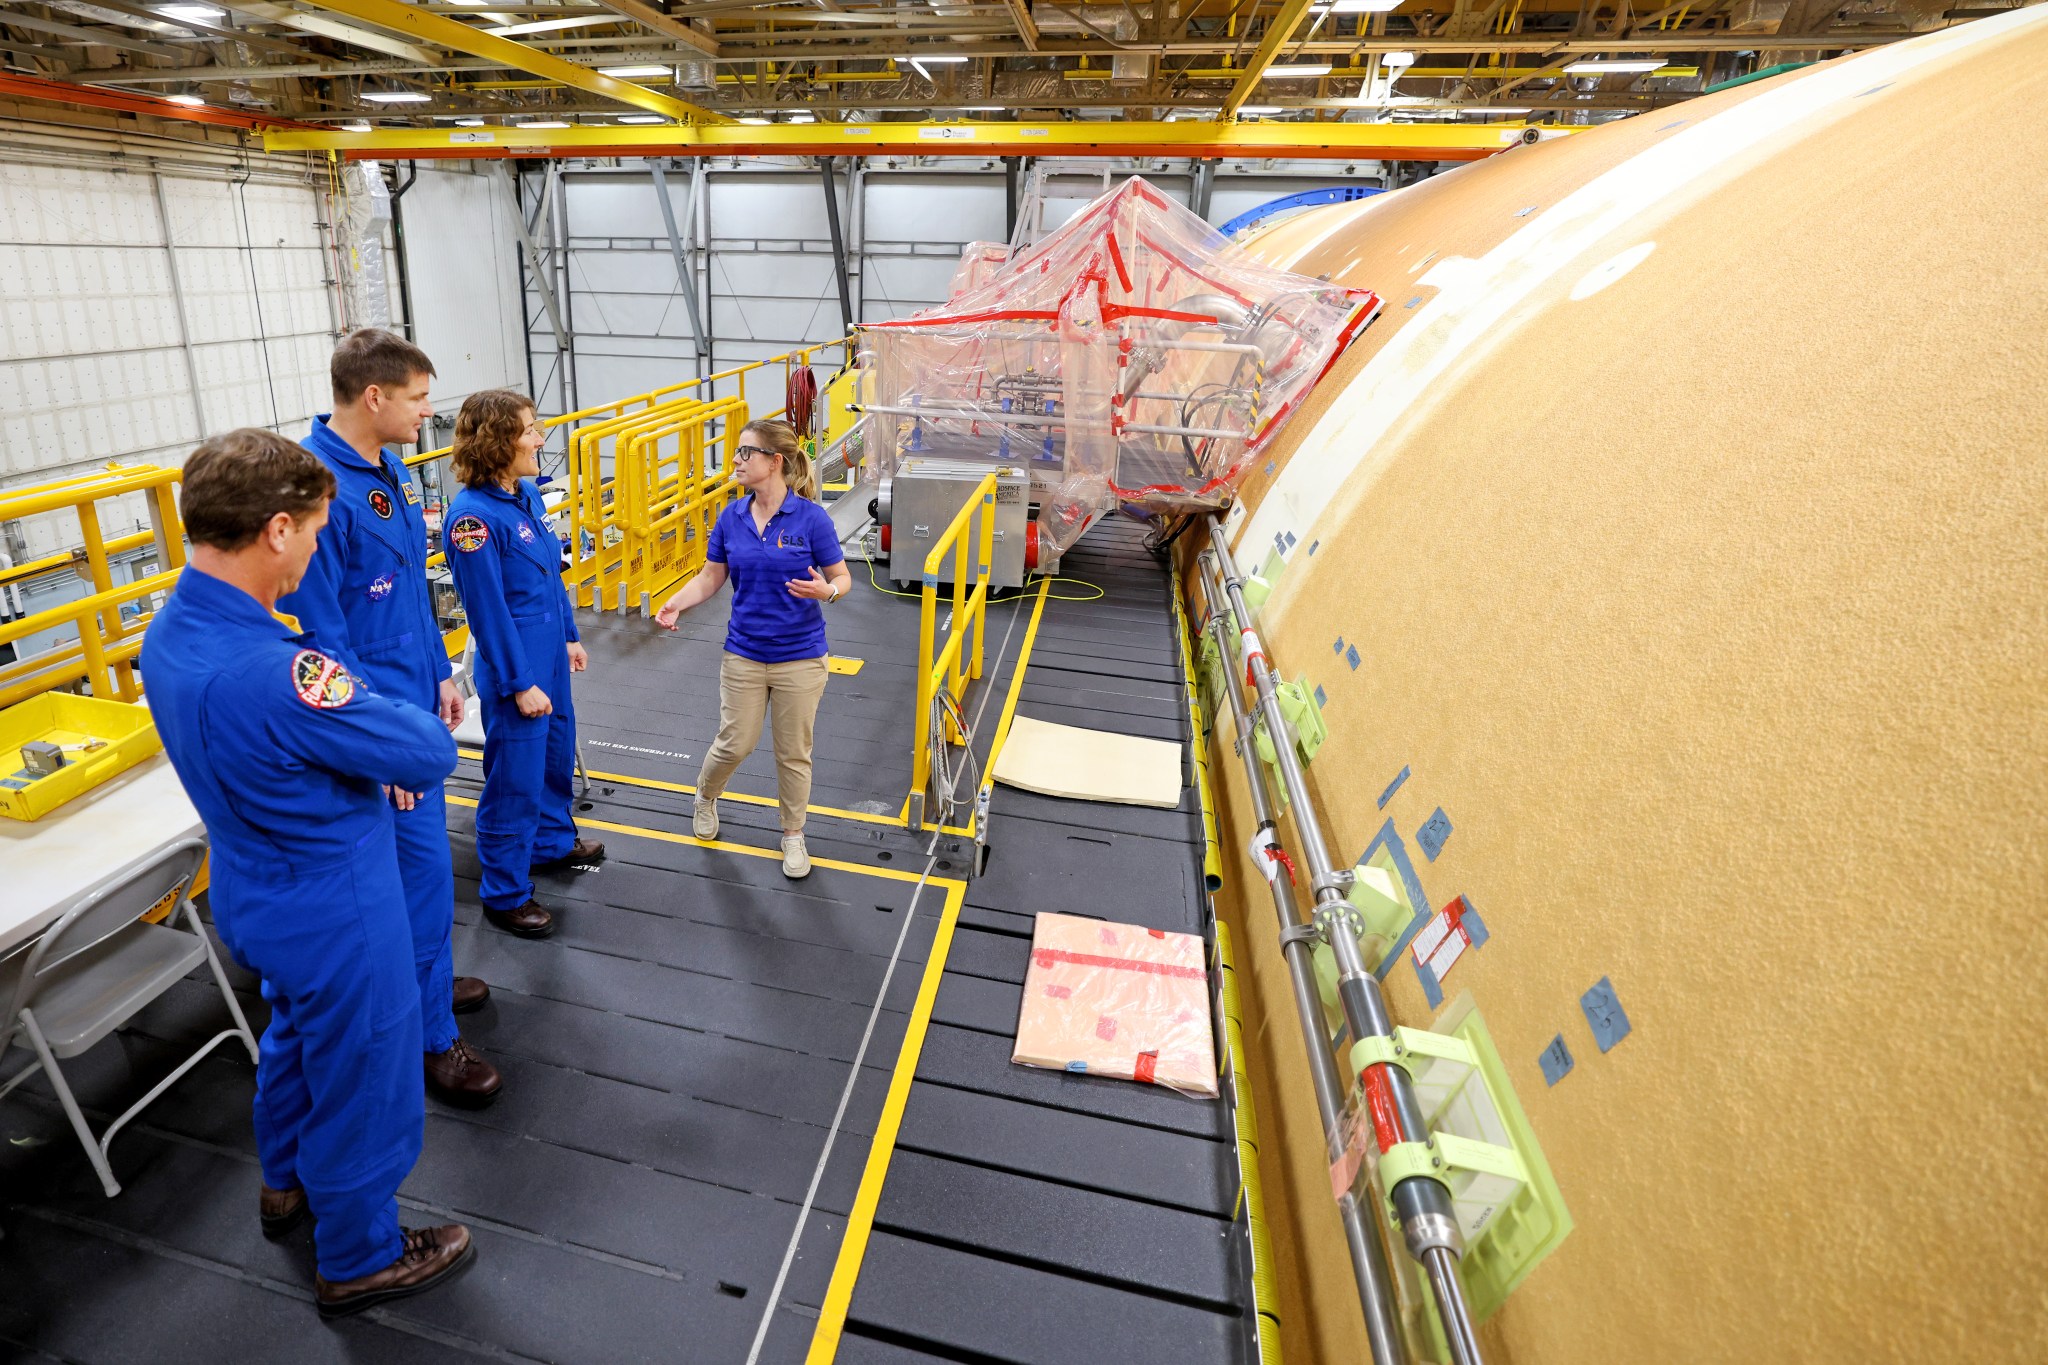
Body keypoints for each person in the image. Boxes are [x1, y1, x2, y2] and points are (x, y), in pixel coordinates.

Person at [141, 428, 473, 1317]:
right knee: (368, 1072)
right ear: (278, 530)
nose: (322, 545)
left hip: (252, 890)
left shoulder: (169, 635)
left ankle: (281, 1183)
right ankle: (359, 1251)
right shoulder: (280, 672)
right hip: (337, 907)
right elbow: (425, 747)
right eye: (318, 528)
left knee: (291, 1039)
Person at [277, 328, 501, 1109]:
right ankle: (432, 1038)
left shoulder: (395, 469)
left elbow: (412, 586)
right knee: (420, 882)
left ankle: (428, 983)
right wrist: (375, 750)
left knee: (427, 882)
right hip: (376, 729)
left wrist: (442, 671)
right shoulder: (315, 493)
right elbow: (324, 644)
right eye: (417, 397)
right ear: (374, 397)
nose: (427, 411)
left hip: (415, 702)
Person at [654, 419, 852, 879]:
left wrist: (829, 593)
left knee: (793, 752)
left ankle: (793, 835)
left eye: (746, 453)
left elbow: (841, 578)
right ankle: (705, 795)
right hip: (743, 652)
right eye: (738, 453)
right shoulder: (731, 517)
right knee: (736, 741)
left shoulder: (811, 519)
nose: (737, 461)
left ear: (774, 461)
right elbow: (712, 576)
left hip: (801, 656)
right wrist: (675, 603)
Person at [442, 389, 603, 932]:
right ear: (495, 440)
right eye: (529, 429)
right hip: (517, 669)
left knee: (556, 758)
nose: (539, 439)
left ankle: (553, 841)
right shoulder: (471, 519)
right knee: (514, 782)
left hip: (549, 656)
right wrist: (517, 683)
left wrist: (569, 634)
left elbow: (548, 573)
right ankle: (506, 891)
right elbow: (487, 615)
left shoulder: (526, 495)